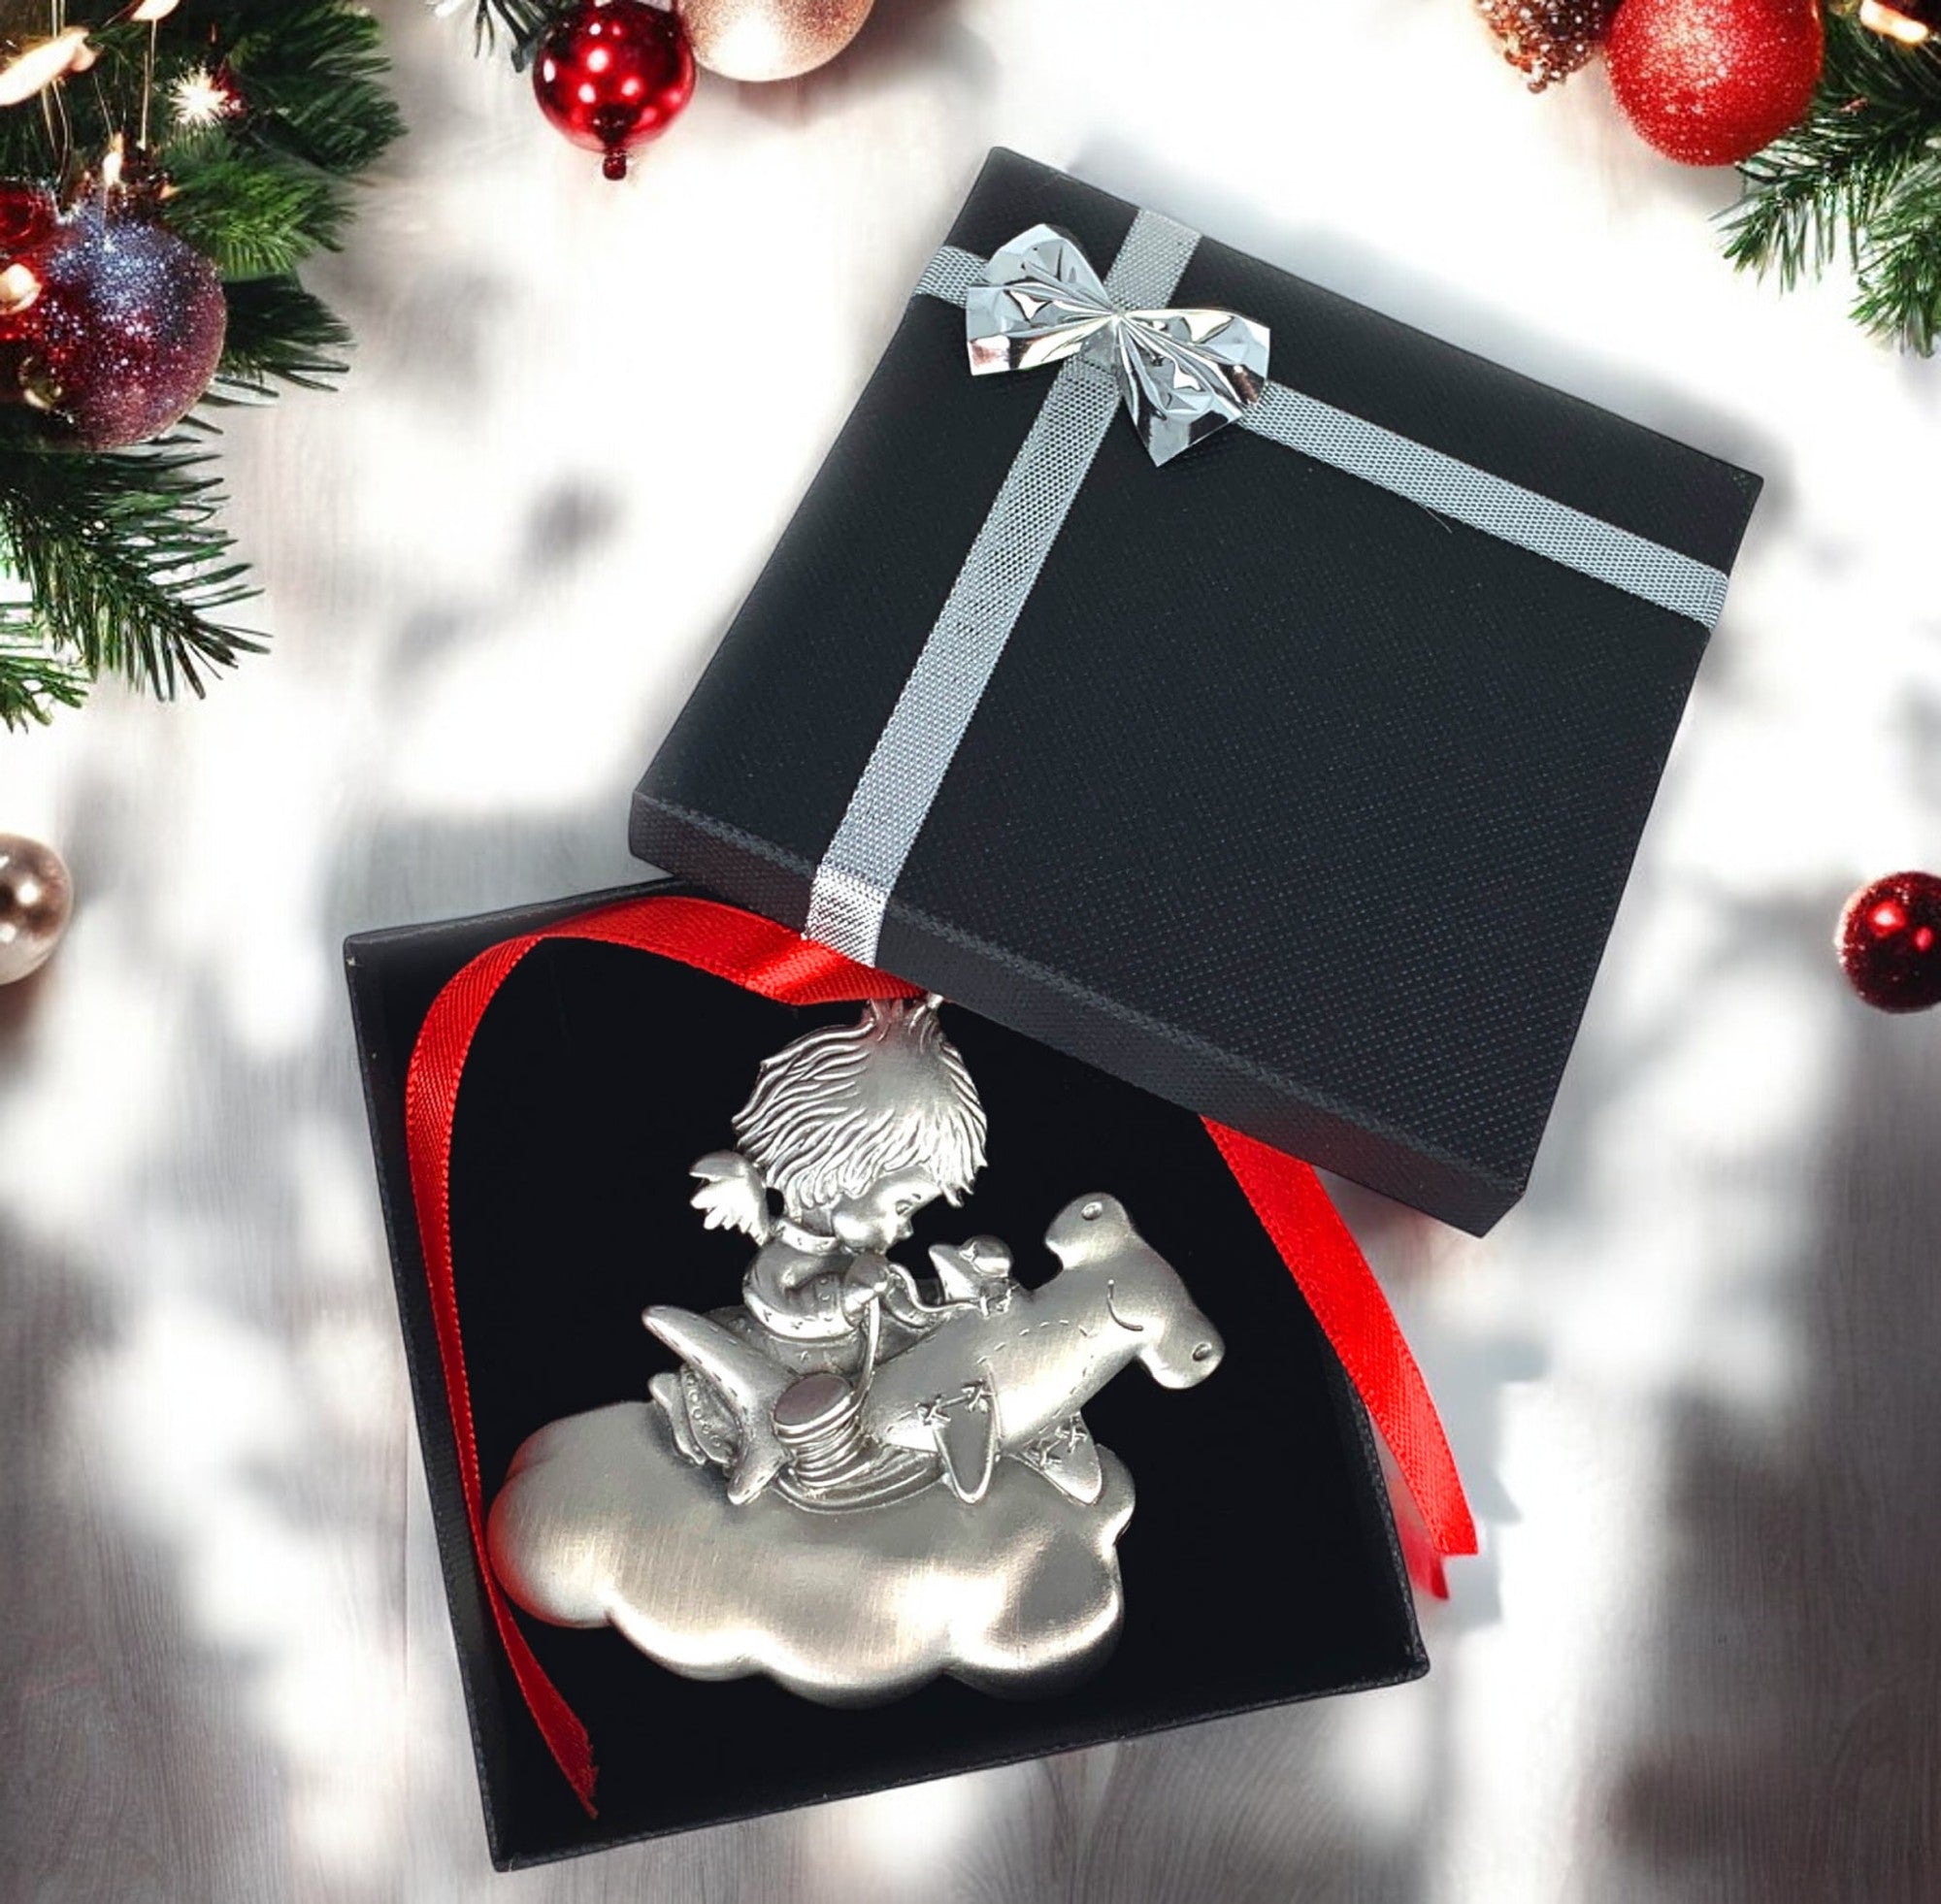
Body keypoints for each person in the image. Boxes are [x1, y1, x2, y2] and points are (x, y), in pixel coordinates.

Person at [687, 998, 990, 1371]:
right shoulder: (786, 1254)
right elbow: (772, 1304)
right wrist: (847, 1300)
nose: (907, 1229)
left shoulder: (853, 1255)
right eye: (903, 1207)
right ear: (844, 1173)